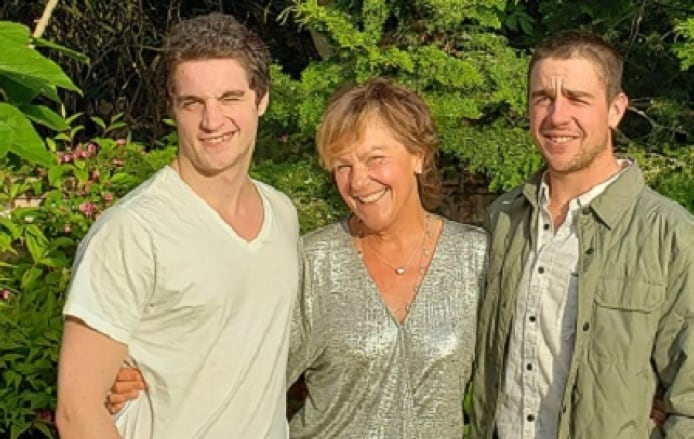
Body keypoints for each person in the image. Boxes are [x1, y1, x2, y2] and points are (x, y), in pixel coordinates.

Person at [107, 77, 488, 438]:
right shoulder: (313, 262)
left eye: (375, 159)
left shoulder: (474, 257)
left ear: (418, 156)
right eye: (343, 166)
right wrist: (148, 372)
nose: (358, 182)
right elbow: (241, 363)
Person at [469, 31, 694, 438]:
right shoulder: (503, 222)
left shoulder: (673, 239)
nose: (557, 116)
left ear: (616, 110)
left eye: (578, 99)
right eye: (543, 97)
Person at [55, 12, 299, 438]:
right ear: (173, 108)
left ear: (261, 99)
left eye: (229, 98)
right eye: (193, 103)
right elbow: (77, 412)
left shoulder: (281, 214)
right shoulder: (132, 232)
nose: (212, 121)